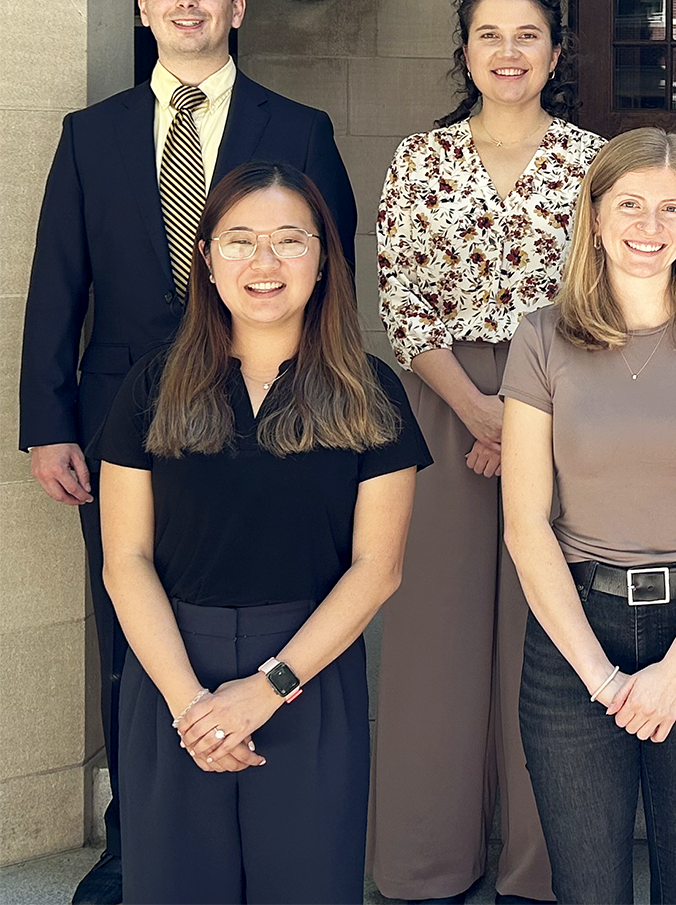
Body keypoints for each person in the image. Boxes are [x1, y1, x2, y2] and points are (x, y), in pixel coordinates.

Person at [19, 0, 357, 905]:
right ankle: (138, 848)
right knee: (134, 629)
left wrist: (324, 408)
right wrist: (47, 421)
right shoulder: (94, 135)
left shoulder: (297, 129)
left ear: (237, 8)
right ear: (142, 7)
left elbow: (331, 279)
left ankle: (272, 825)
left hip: (271, 417)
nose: (187, 2)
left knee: (265, 604)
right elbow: (56, 286)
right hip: (122, 422)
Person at [95, 161, 429, 905]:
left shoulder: (372, 391)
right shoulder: (150, 386)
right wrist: (193, 707)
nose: (265, 263)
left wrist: (269, 689)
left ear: (323, 261)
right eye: (240, 240)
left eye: (289, 240)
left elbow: (378, 569)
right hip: (171, 677)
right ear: (207, 259)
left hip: (309, 679)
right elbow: (125, 561)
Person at [372, 0, 605, 905]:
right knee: (437, 634)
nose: (508, 53)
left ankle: (541, 869)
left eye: (527, 35)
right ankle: (426, 863)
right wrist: (479, 413)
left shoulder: (599, 163)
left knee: (546, 638)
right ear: (463, 51)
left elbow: (613, 299)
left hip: (571, 407)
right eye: (488, 35)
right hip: (444, 410)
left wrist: (525, 415)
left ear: (556, 51)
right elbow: (400, 300)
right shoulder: (419, 160)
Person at [499, 128, 676, 904]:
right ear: (594, 216)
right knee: (588, 889)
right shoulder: (542, 337)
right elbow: (526, 525)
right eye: (629, 205)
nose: (648, 227)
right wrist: (601, 678)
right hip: (574, 638)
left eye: (669, 209)